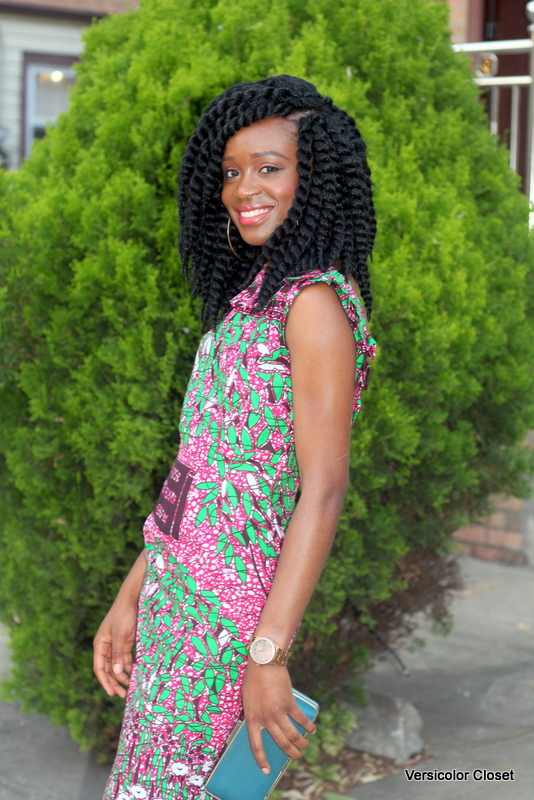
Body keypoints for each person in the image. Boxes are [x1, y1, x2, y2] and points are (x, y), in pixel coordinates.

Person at [94, 74, 377, 800]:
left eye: (269, 167)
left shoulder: (314, 304)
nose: (243, 187)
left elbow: (324, 490)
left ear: (313, 177)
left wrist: (268, 656)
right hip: (173, 607)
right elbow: (195, 470)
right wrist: (134, 591)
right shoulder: (249, 300)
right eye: (231, 171)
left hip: (230, 629)